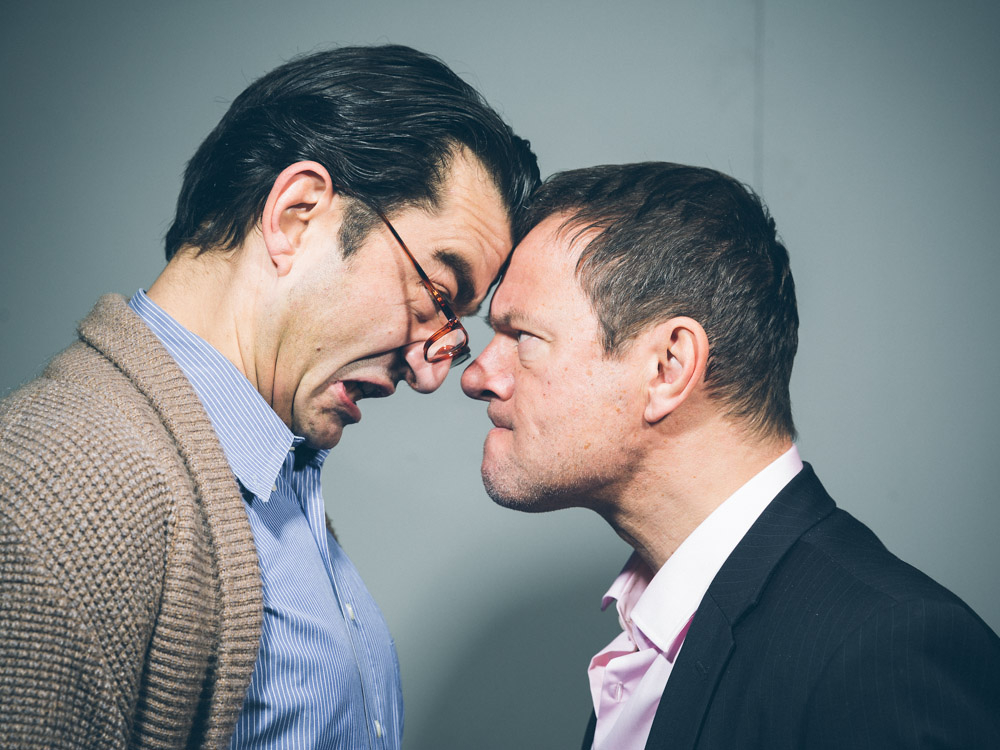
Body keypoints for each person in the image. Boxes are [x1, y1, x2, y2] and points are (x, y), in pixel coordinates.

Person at [0, 45, 538, 749]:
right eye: (436, 294)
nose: (433, 372)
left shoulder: (266, 467)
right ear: (296, 213)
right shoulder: (64, 482)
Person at [461, 162, 1000, 749]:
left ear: (668, 367)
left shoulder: (884, 651)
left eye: (523, 337)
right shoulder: (651, 633)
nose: (479, 375)